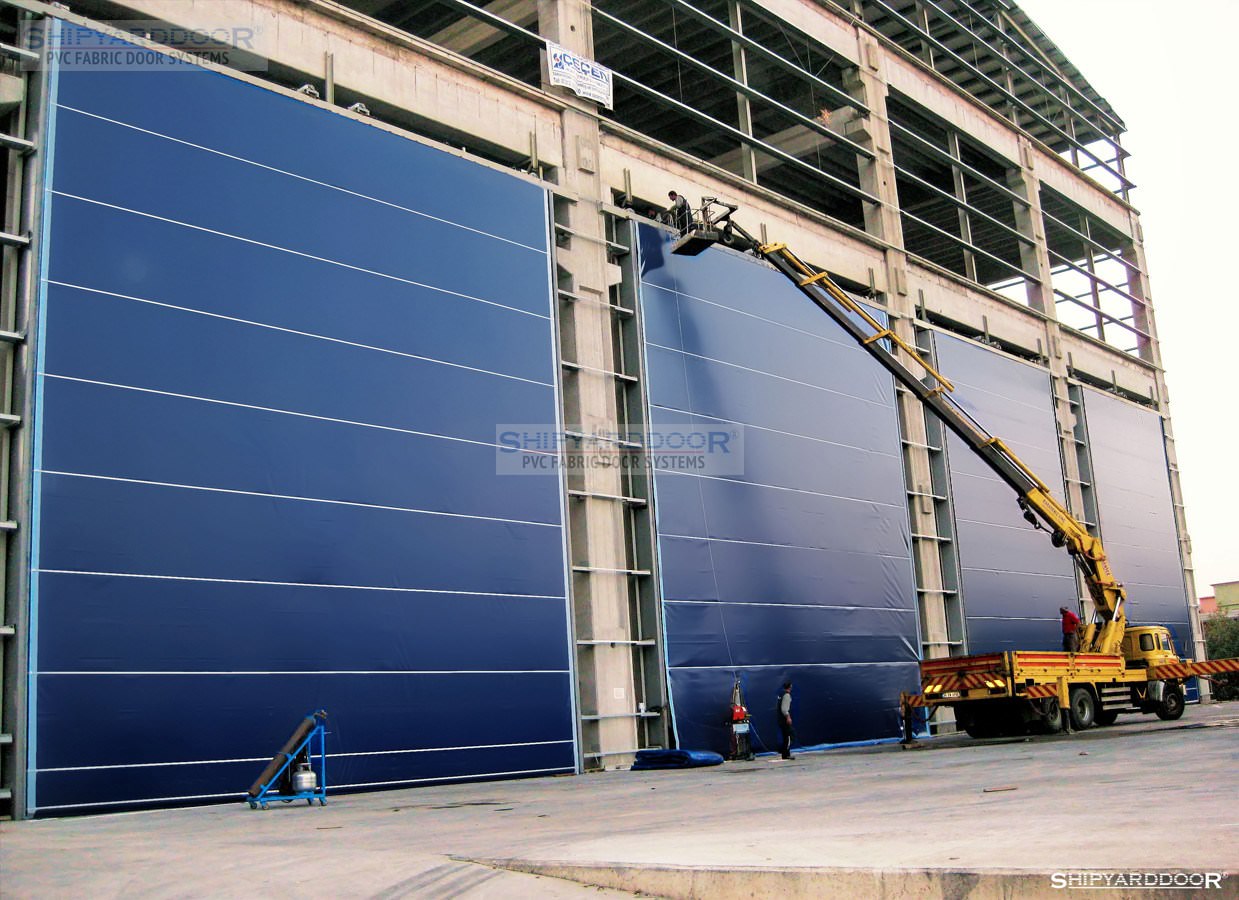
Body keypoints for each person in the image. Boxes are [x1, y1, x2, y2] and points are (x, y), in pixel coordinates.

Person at [775, 681, 795, 760]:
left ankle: (784, 753)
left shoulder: (780, 694)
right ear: (790, 687)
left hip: (780, 719)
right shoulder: (787, 695)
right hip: (784, 719)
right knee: (790, 736)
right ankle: (785, 752)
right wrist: (788, 717)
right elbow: (784, 709)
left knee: (785, 736)